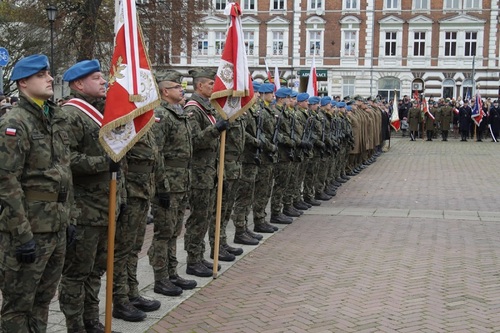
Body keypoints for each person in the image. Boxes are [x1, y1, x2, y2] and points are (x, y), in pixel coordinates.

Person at [0, 54, 76, 332]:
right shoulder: (15, 122)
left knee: (43, 299)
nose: (49, 79)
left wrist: (70, 219)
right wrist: (22, 235)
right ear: (23, 83)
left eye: (48, 73)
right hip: (29, 228)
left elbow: (65, 174)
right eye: (41, 75)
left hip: (56, 225)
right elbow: (7, 181)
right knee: (18, 303)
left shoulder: (54, 117)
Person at [58, 59, 122, 333]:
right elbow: (65, 159)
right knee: (76, 273)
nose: (103, 81)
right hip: (82, 209)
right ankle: (75, 326)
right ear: (79, 84)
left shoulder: (102, 111)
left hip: (105, 205)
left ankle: (90, 319)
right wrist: (102, 164)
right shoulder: (70, 115)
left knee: (96, 270)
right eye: (96, 78)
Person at [148, 70, 197, 296]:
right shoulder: (160, 114)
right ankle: (160, 277)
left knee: (175, 229)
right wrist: (161, 186)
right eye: (177, 87)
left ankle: (171, 272)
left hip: (181, 181)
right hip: (167, 182)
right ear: (165, 91)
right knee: (164, 232)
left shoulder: (178, 114)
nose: (182, 90)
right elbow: (156, 153)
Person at [184, 67, 228, 277]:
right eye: (211, 84)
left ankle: (200, 257)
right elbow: (194, 141)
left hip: (209, 172)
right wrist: (216, 129)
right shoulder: (193, 109)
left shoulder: (207, 108)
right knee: (198, 218)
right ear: (200, 85)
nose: (214, 86)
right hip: (199, 173)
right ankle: (193, 260)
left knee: (206, 216)